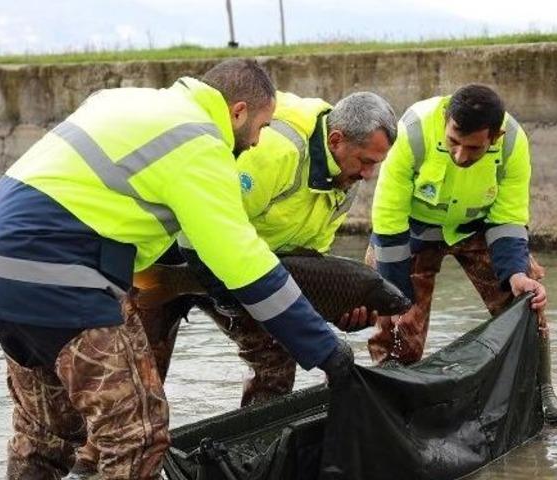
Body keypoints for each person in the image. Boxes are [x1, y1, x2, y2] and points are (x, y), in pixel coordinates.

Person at [0, 59, 354, 480]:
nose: (258, 141)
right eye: (261, 126)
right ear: (237, 111)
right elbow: (245, 263)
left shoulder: (127, 101)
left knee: (47, 435)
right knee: (138, 436)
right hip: (58, 270)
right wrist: (327, 352)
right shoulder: (199, 142)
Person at [129, 90, 397, 407]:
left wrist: (335, 312)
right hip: (176, 254)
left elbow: (308, 266)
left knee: (277, 363)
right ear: (336, 140)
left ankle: (254, 445)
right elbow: (201, 223)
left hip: (245, 272)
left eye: (375, 165)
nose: (368, 176)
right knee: (136, 381)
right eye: (365, 162)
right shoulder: (275, 151)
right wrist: (223, 291)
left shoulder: (345, 185)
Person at [367, 84, 557, 423]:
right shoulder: (413, 131)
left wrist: (516, 272)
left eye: (473, 148)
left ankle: (542, 393)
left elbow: (509, 217)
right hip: (412, 233)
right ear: (446, 121)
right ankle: (392, 404)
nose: (460, 156)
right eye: (453, 142)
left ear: (494, 137)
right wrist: (396, 294)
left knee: (526, 300)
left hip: (477, 228)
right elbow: (388, 218)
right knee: (398, 322)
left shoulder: (513, 143)